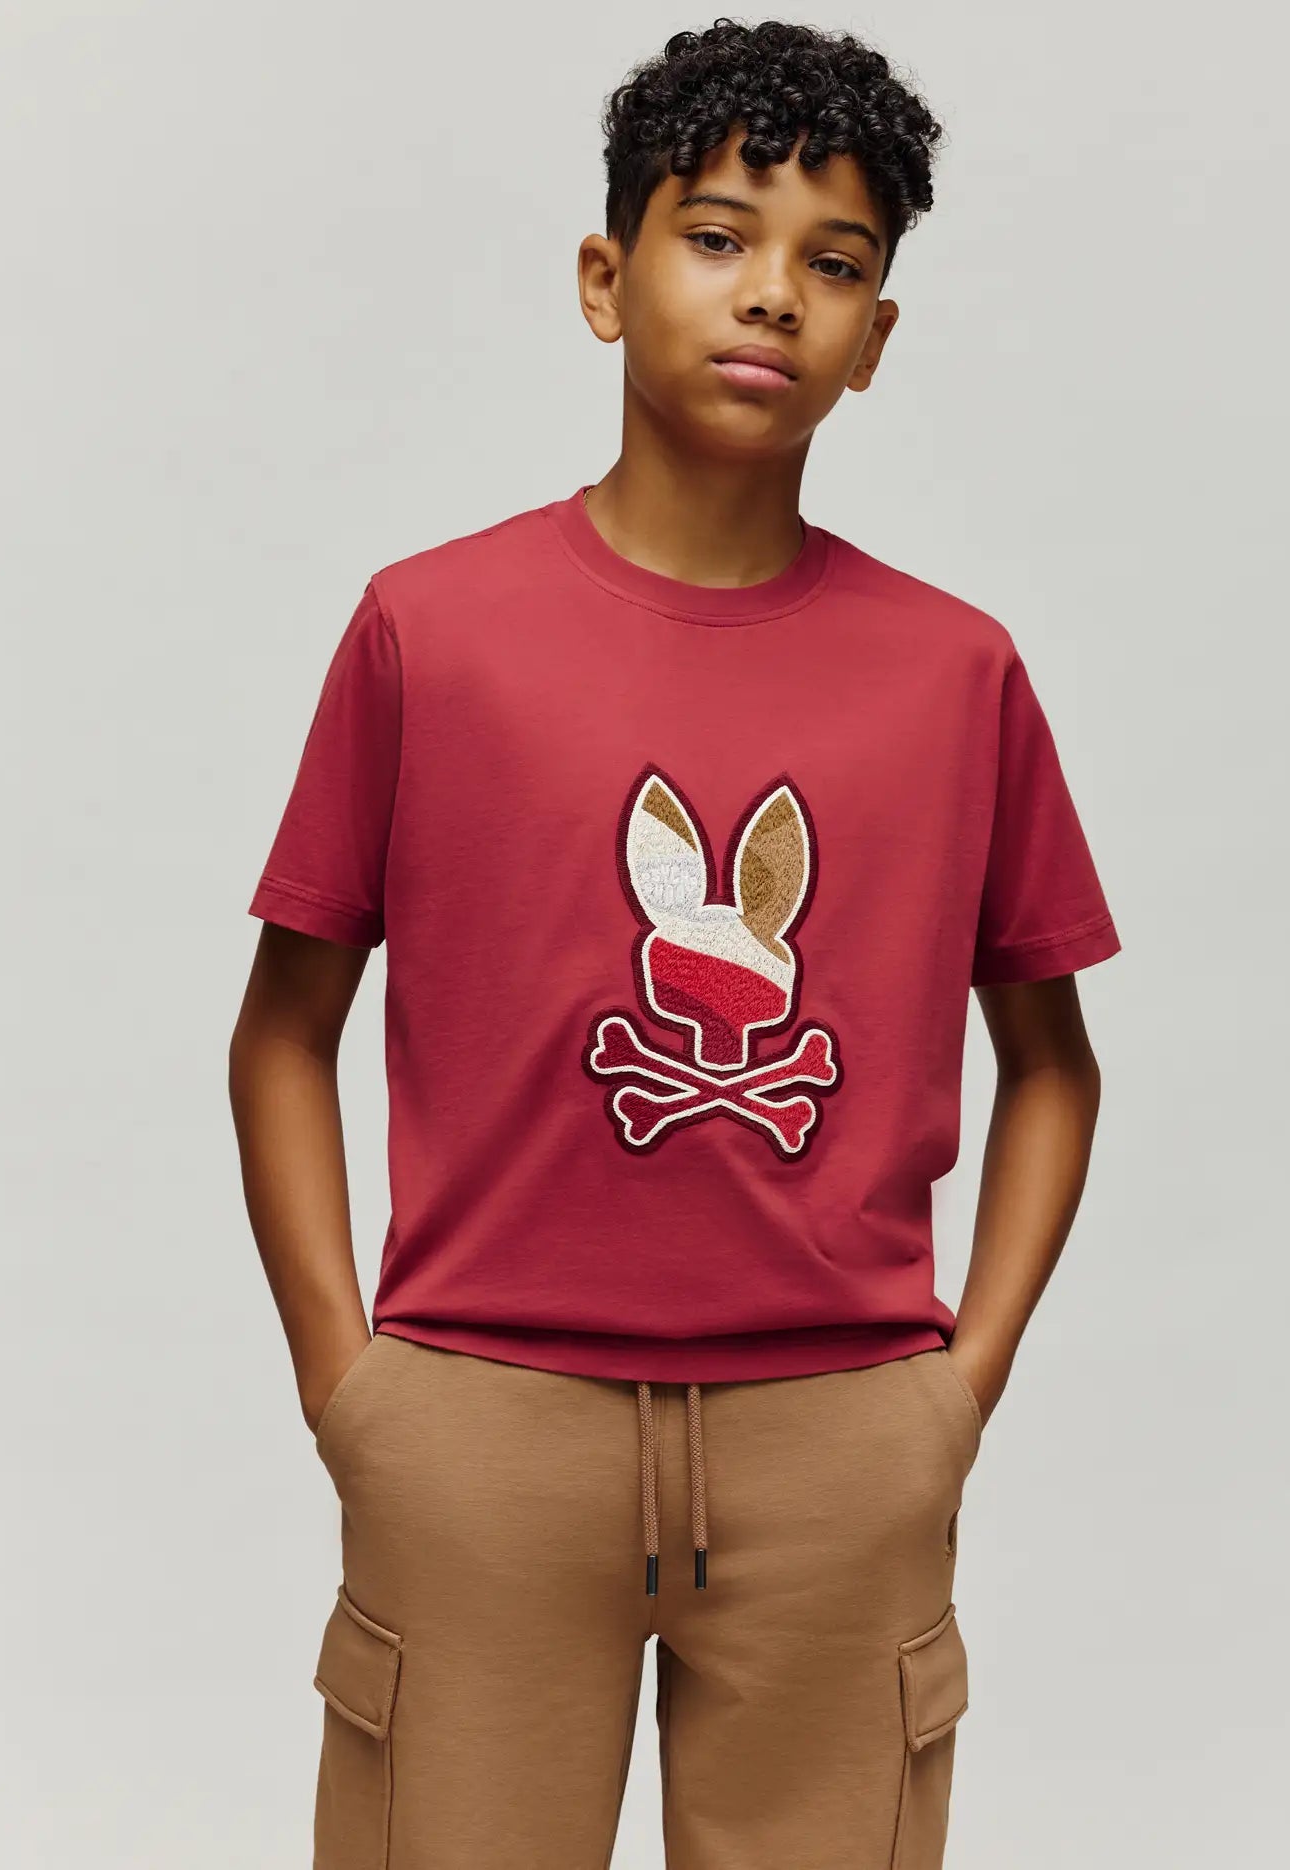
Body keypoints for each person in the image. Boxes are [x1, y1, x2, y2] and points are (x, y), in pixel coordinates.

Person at [228, 18, 1120, 1867]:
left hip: (841, 1445)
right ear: (604, 276)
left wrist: (952, 1398)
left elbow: (1054, 1066)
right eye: (717, 235)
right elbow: (283, 1028)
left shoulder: (956, 675)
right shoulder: (429, 633)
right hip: (481, 1433)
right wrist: (350, 1386)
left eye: (835, 263)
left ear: (878, 336)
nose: (773, 291)